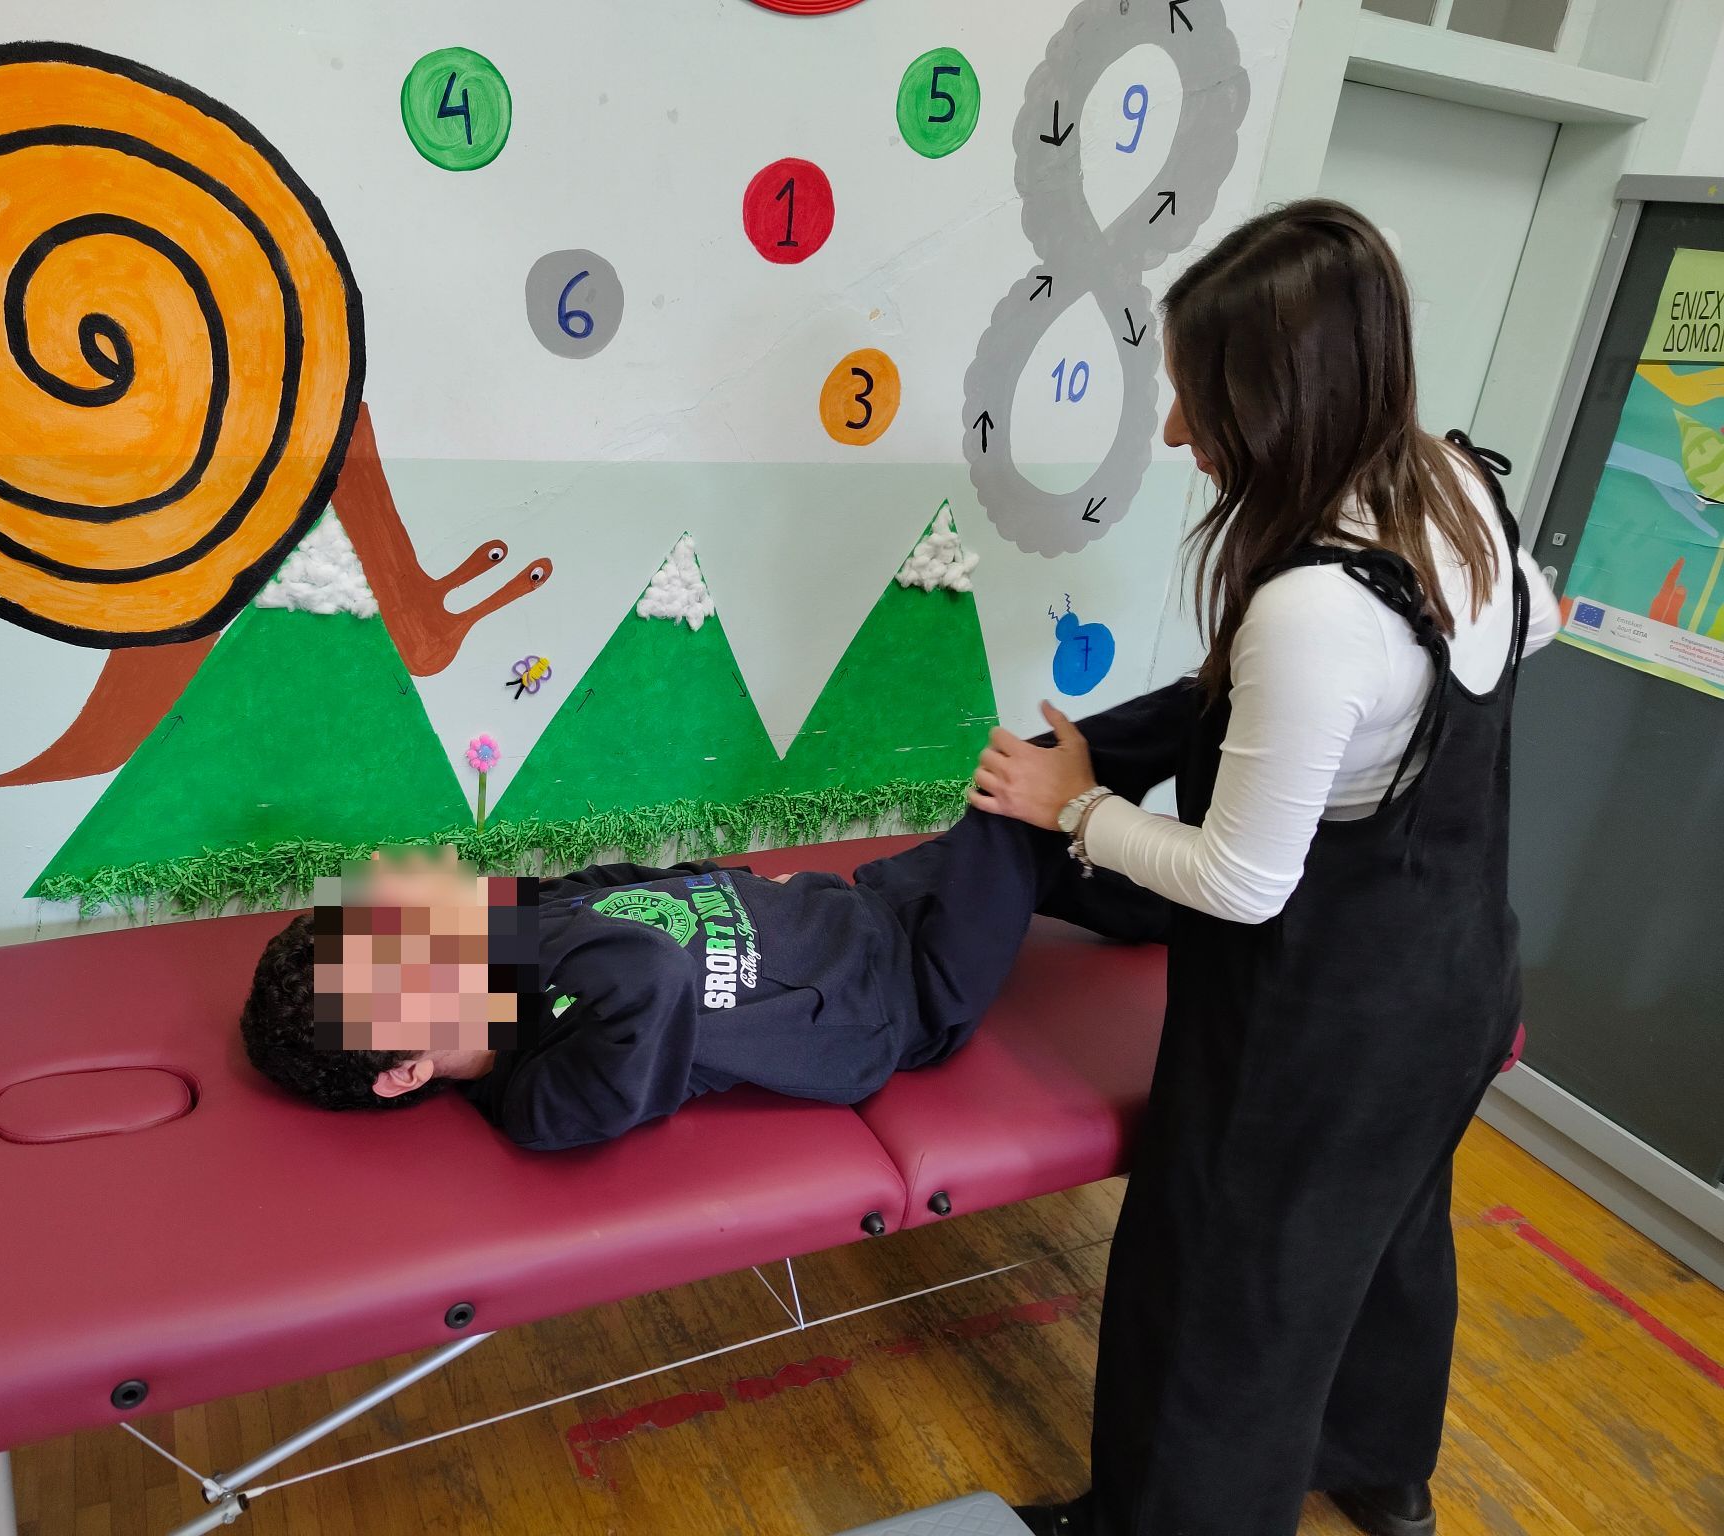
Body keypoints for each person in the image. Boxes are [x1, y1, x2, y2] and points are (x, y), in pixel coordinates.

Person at [969, 199, 1559, 1536]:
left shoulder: (1312, 608)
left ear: (1283, 402)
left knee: (1223, 1286)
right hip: (1460, 981)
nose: (1178, 432)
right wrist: (1343, 734)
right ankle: (1378, 1473)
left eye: (1201, 401)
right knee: (1384, 1235)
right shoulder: (1455, 486)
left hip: (1320, 1026)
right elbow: (1539, 624)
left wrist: (1073, 806)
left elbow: (1241, 883)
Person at [239, 691, 1191, 1151]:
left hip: (863, 907)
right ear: (405, 1069)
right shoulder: (539, 1100)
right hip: (899, 998)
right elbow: (643, 976)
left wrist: (735, 882)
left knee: (1035, 843)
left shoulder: (514, 939)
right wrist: (495, 939)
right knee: (1022, 789)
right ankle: (1212, 700)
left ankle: (1176, 904)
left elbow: (610, 883)